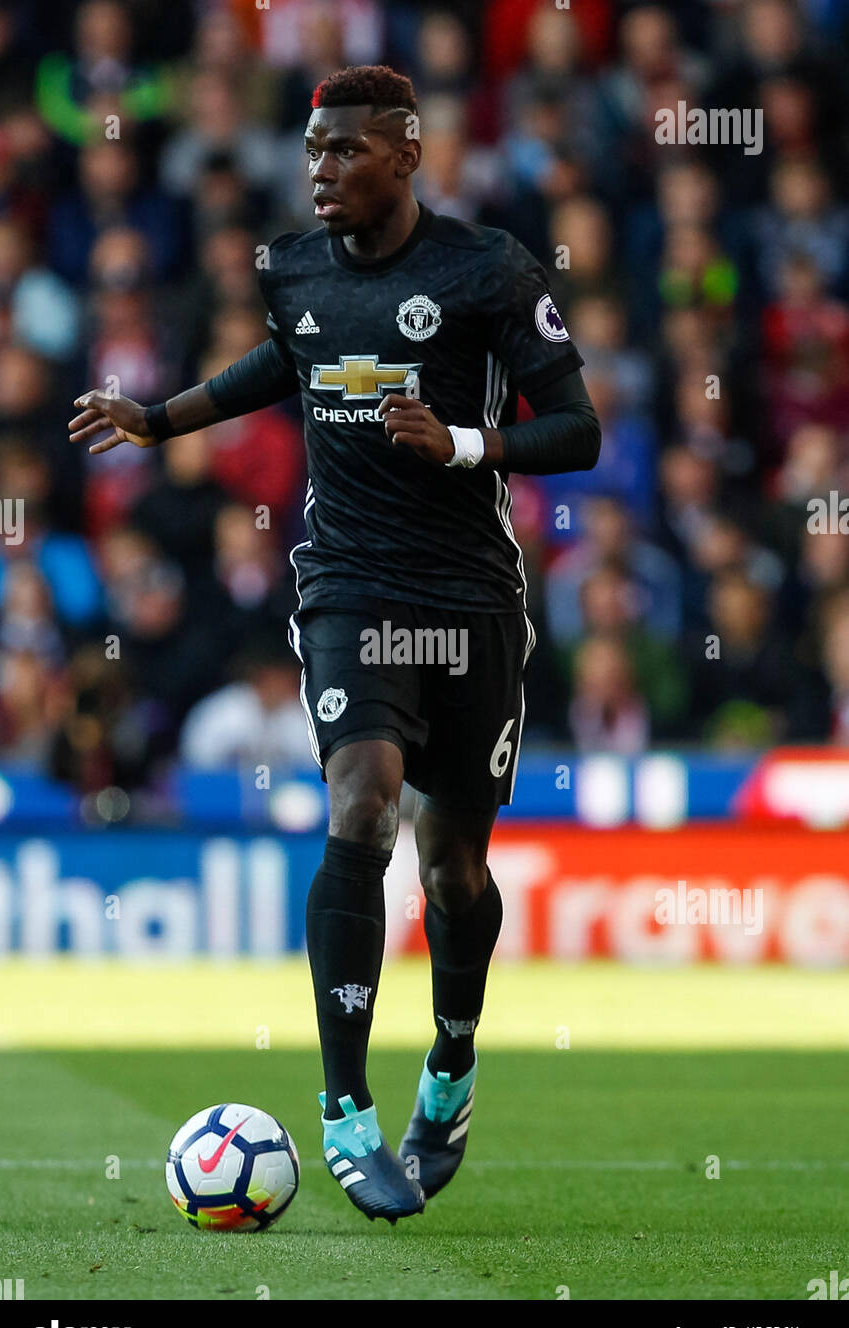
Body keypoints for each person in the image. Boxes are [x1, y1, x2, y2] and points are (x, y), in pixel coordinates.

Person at [68, 64, 600, 1224]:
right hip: (350, 590)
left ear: (405, 154)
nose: (320, 171)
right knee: (360, 804)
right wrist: (160, 419)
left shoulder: (486, 271)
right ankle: (346, 1111)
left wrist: (464, 443)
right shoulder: (292, 269)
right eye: (311, 152)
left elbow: (577, 430)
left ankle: (449, 1069)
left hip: (469, 602)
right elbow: (291, 358)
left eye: (345, 152)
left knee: (457, 867)